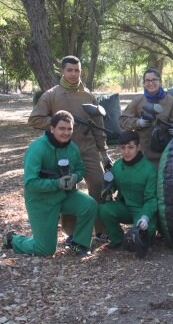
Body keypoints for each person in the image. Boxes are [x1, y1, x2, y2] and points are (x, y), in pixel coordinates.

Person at [28, 55, 110, 241]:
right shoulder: (52, 95)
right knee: (67, 188)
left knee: (98, 184)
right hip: (64, 151)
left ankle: (101, 228)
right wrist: (59, 121)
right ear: (63, 71)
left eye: (77, 70)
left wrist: (103, 151)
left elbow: (98, 124)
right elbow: (34, 119)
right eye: (70, 70)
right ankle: (71, 232)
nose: (74, 74)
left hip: (88, 149)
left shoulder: (89, 96)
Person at [2, 111, 98, 257]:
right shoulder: (37, 148)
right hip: (41, 201)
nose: (66, 133)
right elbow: (30, 183)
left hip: (65, 195)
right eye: (62, 128)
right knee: (45, 250)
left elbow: (80, 168)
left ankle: (79, 242)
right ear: (52, 129)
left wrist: (75, 177)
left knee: (89, 204)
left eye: (69, 129)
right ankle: (14, 239)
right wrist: (57, 183)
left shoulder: (72, 147)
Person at [98, 130, 158, 252]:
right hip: (125, 207)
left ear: (138, 147)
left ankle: (147, 232)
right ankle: (118, 239)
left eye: (130, 147)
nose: (126, 151)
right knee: (104, 209)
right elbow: (112, 186)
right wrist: (107, 190)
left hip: (142, 210)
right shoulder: (118, 166)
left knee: (141, 240)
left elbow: (151, 199)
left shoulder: (149, 169)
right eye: (123, 148)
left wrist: (145, 217)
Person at [118, 68, 173, 166]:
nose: (151, 83)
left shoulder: (171, 101)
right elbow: (122, 120)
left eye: (154, 80)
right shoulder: (138, 101)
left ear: (160, 81)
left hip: (165, 153)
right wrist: (137, 123)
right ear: (144, 83)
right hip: (143, 153)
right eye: (147, 80)